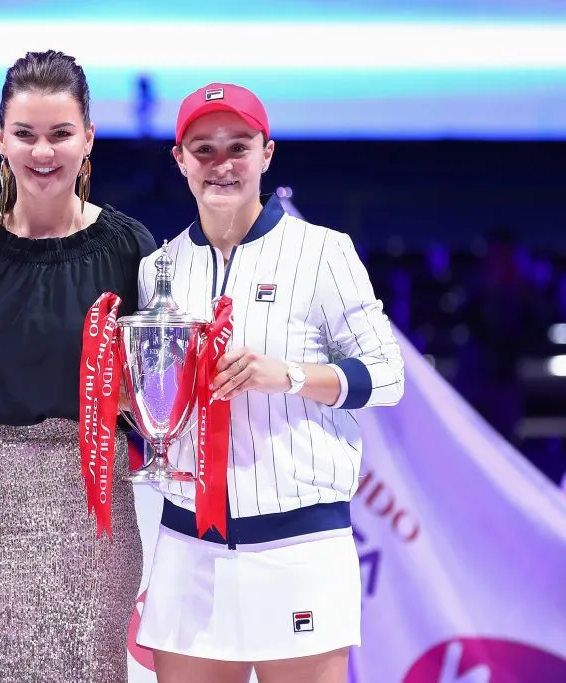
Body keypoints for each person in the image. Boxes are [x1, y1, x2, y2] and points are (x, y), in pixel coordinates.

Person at [135, 83, 405, 683]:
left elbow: (387, 375)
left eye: (238, 146)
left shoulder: (323, 253)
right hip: (189, 543)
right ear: (179, 159)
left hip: (298, 545)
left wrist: (288, 375)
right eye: (203, 149)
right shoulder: (158, 269)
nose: (222, 164)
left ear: (267, 152)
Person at [0, 50, 157, 682]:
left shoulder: (131, 248)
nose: (42, 152)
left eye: (60, 134)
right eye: (25, 134)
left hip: (94, 513)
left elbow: (151, 398)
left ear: (88, 139)